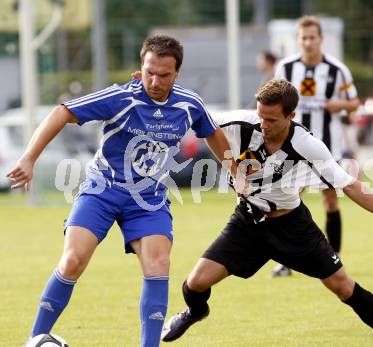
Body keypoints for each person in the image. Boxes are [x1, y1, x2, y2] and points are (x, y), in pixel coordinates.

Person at [159, 79, 373, 347]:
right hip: (248, 222)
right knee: (194, 285)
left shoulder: (307, 145)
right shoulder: (241, 123)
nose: (263, 125)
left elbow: (350, 185)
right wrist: (153, 90)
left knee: (342, 286)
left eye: (272, 119)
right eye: (260, 116)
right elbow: (195, 112)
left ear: (291, 115)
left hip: (292, 225)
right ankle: (195, 312)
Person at [8, 35, 241, 347]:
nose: (155, 81)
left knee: (159, 264)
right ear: (140, 68)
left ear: (177, 74)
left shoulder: (189, 104)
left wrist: (236, 171)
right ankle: (34, 339)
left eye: (164, 74)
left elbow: (212, 135)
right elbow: (62, 112)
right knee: (74, 260)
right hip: (102, 189)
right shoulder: (121, 98)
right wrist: (29, 157)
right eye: (149, 72)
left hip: (148, 198)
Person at [272, 15, 361, 276]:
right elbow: (271, 100)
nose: (308, 42)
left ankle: (334, 259)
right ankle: (286, 261)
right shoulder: (286, 68)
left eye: (313, 37)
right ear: (298, 40)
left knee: (330, 200)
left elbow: (354, 102)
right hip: (292, 146)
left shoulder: (337, 70)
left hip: (326, 146)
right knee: (287, 201)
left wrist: (339, 105)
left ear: (321, 39)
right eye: (304, 38)